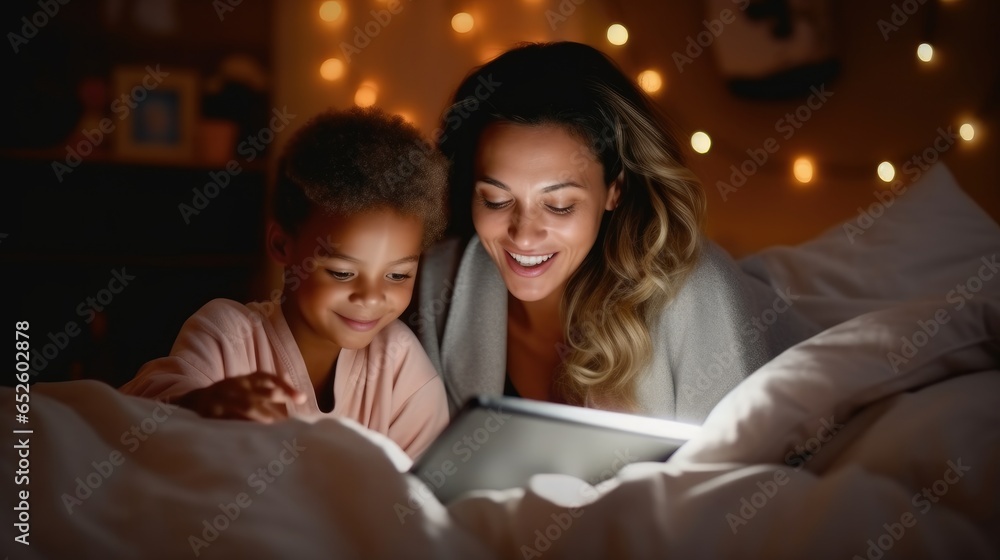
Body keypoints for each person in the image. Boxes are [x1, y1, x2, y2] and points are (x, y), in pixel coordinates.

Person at [412, 41, 819, 423]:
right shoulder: (440, 281)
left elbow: (741, 475)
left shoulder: (697, 292)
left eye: (559, 205)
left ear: (614, 190)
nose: (524, 235)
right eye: (496, 201)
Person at [121, 107, 451, 458]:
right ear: (281, 244)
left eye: (397, 275)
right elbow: (141, 413)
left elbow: (427, 493)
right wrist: (198, 404)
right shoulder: (229, 335)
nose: (371, 297)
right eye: (342, 272)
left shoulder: (401, 364)